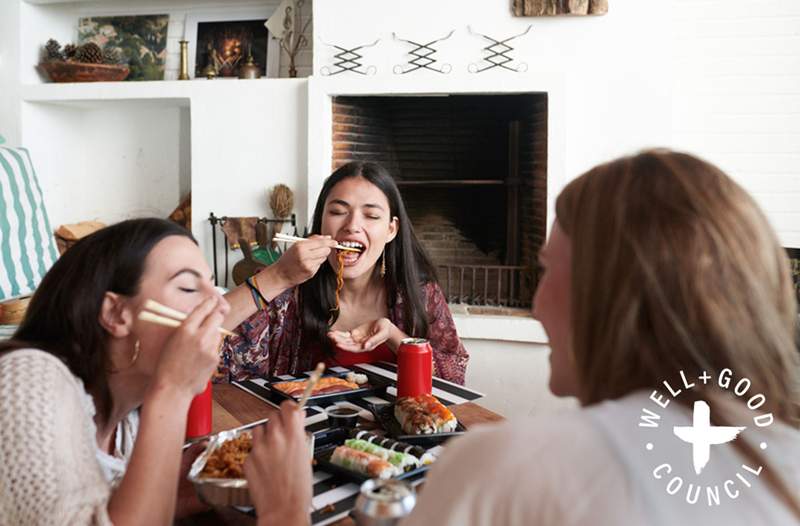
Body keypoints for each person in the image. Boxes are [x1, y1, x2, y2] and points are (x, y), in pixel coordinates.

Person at [245, 149, 800, 525]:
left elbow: (451, 373)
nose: (535, 303)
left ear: (608, 296)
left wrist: (286, 514)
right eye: (338, 212)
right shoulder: (785, 459)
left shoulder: (501, 466)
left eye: (549, 271)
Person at [0, 218, 230, 525]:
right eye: (188, 286)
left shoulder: (127, 427)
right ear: (116, 313)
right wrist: (174, 391)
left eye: (212, 284)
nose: (220, 306)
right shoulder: (27, 379)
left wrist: (169, 498)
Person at [219, 161, 468, 383]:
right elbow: (199, 340)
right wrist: (278, 276)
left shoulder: (420, 293)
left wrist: (393, 336)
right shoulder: (289, 291)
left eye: (371, 215)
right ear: (321, 222)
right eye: (338, 212)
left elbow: (454, 377)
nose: (352, 226)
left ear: (391, 230)